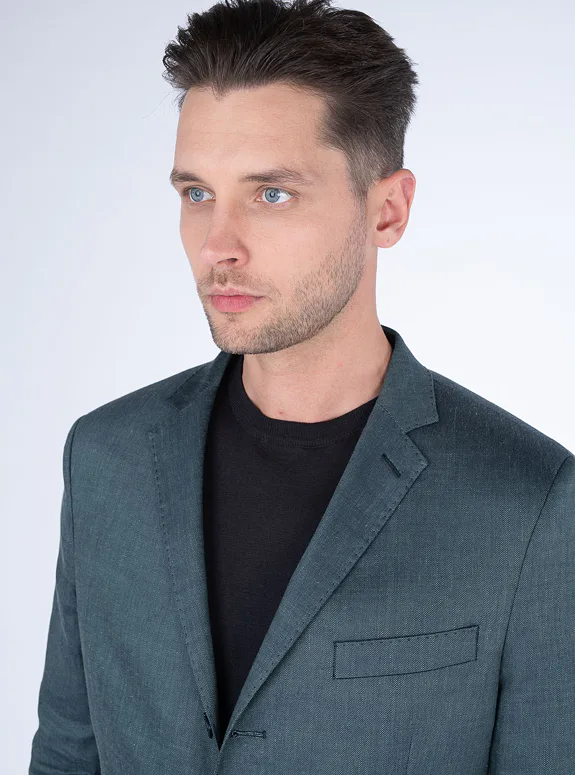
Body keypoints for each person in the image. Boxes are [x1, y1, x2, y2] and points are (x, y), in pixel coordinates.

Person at [29, 0, 574, 772]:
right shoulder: (104, 457)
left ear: (386, 210)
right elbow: (66, 752)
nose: (217, 245)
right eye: (196, 193)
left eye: (271, 194)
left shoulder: (528, 500)